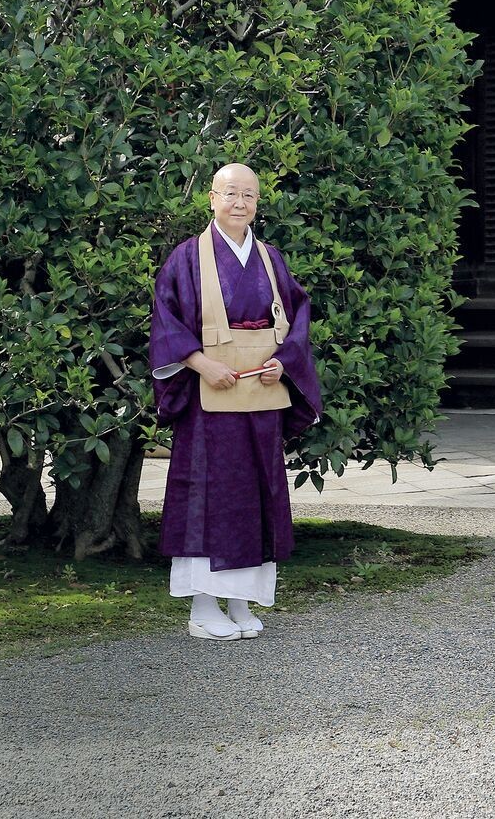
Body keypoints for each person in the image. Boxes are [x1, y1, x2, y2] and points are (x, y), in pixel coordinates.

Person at [149, 164, 321, 640]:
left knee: (259, 492)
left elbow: (298, 316)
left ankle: (243, 603)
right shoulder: (186, 258)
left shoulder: (270, 258)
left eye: (248, 195)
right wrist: (202, 365)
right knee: (209, 495)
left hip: (261, 392)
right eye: (230, 193)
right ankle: (204, 608)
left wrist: (284, 363)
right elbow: (166, 319)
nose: (239, 203)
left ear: (257, 202)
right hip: (210, 399)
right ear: (211, 198)